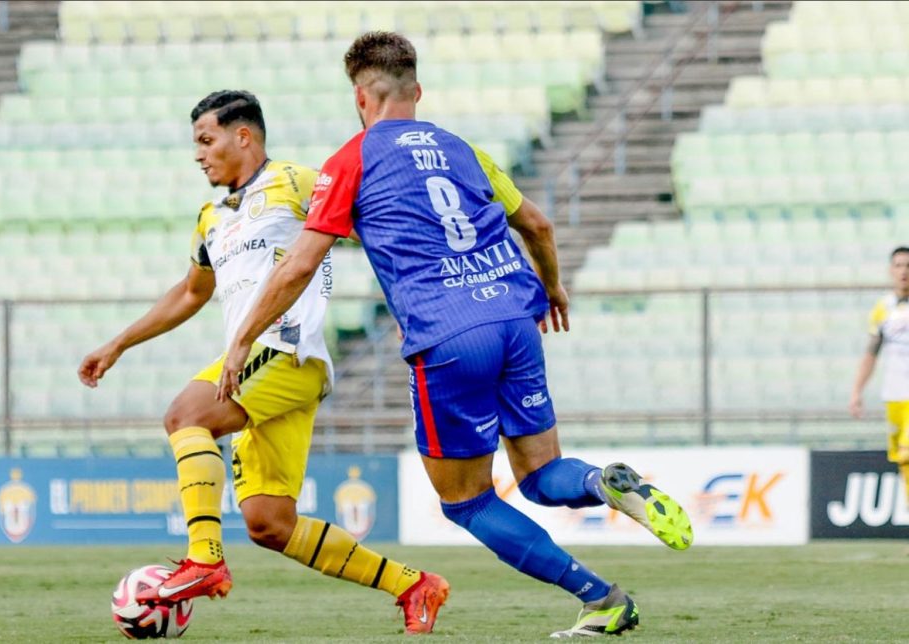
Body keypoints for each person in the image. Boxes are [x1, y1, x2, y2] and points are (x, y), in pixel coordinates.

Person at [223, 32, 693, 638]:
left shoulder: (351, 160)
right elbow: (539, 225)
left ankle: (601, 597)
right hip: (513, 317)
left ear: (361, 98)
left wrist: (242, 340)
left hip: (447, 337)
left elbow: (298, 265)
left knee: (467, 501)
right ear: (416, 91)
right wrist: (551, 287)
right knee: (541, 474)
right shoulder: (462, 149)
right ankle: (603, 483)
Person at [77, 90, 447, 634]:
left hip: (288, 349)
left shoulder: (297, 182)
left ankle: (203, 558)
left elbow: (373, 227)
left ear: (243, 136)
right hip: (261, 367)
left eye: (206, 140)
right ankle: (415, 585)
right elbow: (189, 293)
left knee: (186, 416)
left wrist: (409, 300)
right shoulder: (210, 219)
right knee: (270, 524)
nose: (198, 155)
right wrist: (119, 343)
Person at [850, 246, 909, 501]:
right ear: (890, 270)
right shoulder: (882, 309)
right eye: (898, 266)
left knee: (908, 452)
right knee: (904, 463)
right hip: (894, 395)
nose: (904, 271)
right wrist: (856, 391)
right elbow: (871, 352)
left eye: (908, 266)